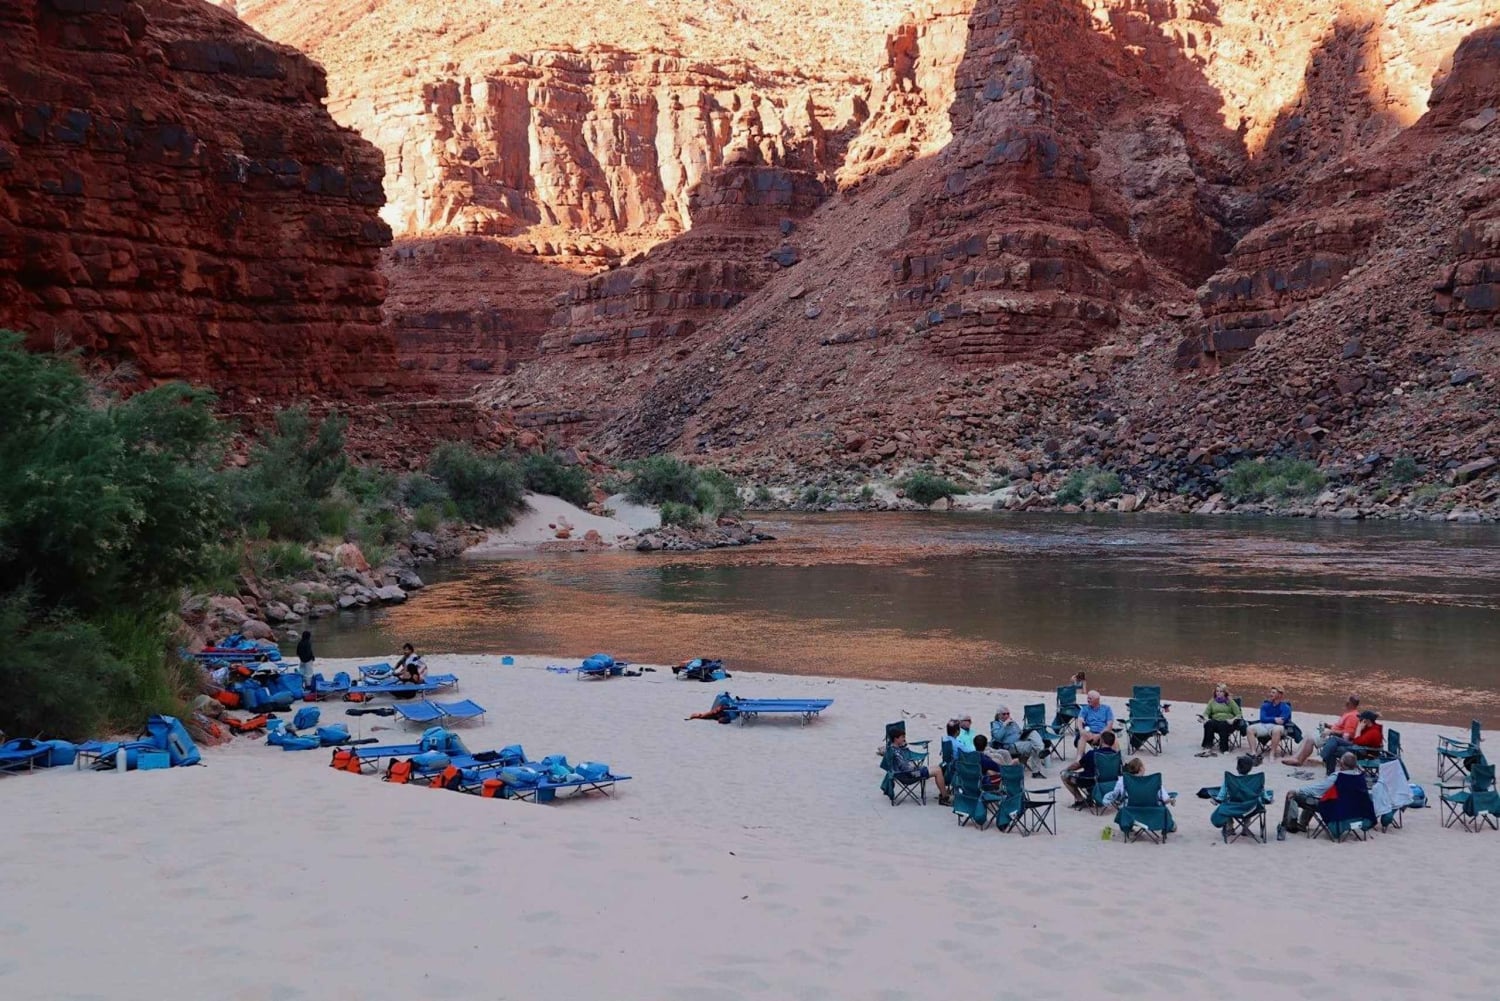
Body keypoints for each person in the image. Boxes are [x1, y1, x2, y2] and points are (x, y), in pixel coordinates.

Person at [1281, 752, 1363, 834]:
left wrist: (1297, 791)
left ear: (1342, 764)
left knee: (1295, 795)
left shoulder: (1338, 777)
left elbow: (1317, 789)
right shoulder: (1359, 777)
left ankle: (1291, 825)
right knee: (1313, 796)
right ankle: (1302, 823)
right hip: (1350, 810)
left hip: (1332, 808)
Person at [1284, 695, 1361, 767]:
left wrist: (1332, 732)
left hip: (1335, 737)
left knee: (1310, 739)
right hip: (1332, 733)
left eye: (1347, 700)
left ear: (1350, 703)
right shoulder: (1348, 713)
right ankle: (1296, 757)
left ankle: (1299, 760)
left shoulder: (1352, 716)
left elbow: (1348, 734)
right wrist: (1328, 725)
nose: (1345, 702)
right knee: (1308, 735)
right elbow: (1340, 727)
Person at [885, 730, 949, 805]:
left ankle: (943, 793)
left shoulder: (893, 748)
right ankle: (944, 797)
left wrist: (903, 747)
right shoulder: (896, 753)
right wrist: (915, 767)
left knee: (937, 768)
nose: (904, 739)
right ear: (896, 739)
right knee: (938, 771)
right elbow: (905, 767)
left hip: (907, 772)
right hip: (910, 774)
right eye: (902, 737)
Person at [1061, 730, 1120, 807]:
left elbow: (1077, 765)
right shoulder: (1116, 756)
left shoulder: (1093, 753)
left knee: (1064, 775)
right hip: (1111, 783)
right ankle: (1090, 797)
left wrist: (1067, 769)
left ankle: (1080, 800)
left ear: (1101, 741)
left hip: (1091, 781)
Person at [991, 705, 1046, 778]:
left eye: (1008, 713)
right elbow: (998, 737)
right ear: (998, 715)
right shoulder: (996, 724)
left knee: (1033, 733)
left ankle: (1041, 750)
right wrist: (1004, 725)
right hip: (1010, 745)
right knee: (1033, 746)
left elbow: (1019, 731)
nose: (1006, 715)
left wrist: (1024, 733)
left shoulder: (1012, 722)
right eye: (1004, 714)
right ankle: (1036, 771)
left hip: (1020, 740)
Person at [1198, 683, 1245, 756]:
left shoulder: (1230, 701)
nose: (1218, 693)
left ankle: (1224, 748)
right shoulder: (1212, 701)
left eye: (1221, 691)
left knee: (1223, 725)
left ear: (1225, 693)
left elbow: (1239, 714)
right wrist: (1206, 718)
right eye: (1217, 691)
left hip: (1228, 722)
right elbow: (1206, 713)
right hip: (1216, 721)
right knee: (1209, 723)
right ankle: (1207, 746)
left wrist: (1233, 719)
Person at [1248, 687, 1294, 762]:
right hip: (1264, 725)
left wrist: (1269, 719)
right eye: (1271, 692)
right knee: (1249, 729)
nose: (1270, 694)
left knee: (1277, 729)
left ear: (1279, 695)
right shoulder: (1265, 705)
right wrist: (1274, 719)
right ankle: (1253, 753)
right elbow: (1262, 718)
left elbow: (1282, 721)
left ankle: (1272, 754)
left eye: (1273, 693)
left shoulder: (1286, 707)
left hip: (1279, 727)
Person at [1072, 690, 1115, 758]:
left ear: (1097, 700)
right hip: (1090, 732)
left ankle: (1116, 758)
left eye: (1090, 699)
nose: (1088, 700)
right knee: (1083, 735)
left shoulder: (1107, 709)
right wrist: (1081, 730)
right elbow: (1080, 720)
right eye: (1087, 698)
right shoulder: (1085, 709)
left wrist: (1099, 735)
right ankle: (1079, 758)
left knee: (1112, 736)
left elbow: (1109, 725)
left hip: (1103, 733)